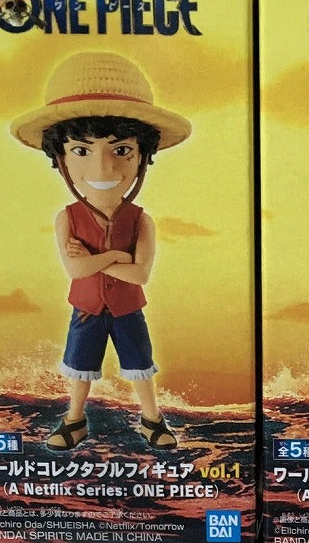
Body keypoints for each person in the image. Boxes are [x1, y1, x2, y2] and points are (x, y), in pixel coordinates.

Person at [10, 52, 191, 451]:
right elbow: (76, 272)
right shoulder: (67, 218)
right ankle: (74, 419)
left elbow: (140, 275)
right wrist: (116, 257)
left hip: (127, 309)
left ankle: (152, 418)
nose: (104, 169)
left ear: (142, 157)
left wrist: (97, 261)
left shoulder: (142, 220)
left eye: (121, 150)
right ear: (61, 158)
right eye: (81, 151)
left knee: (141, 367)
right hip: (87, 309)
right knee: (80, 367)